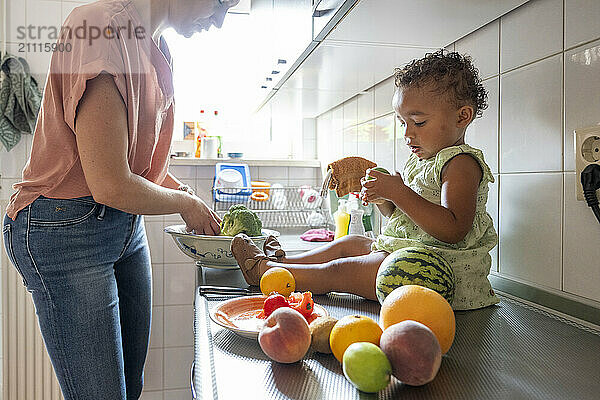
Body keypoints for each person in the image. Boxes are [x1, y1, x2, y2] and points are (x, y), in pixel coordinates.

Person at [2, 0, 239, 398]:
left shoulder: (159, 49)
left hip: (124, 226)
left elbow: (139, 167)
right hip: (64, 228)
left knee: (130, 387)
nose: (219, 20)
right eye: (220, 2)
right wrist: (187, 205)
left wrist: (186, 195)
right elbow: (110, 183)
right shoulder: (100, 29)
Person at [232, 50, 499, 311]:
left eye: (418, 122)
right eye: (402, 122)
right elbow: (408, 221)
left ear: (462, 116)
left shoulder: (461, 163)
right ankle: (285, 261)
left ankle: (269, 276)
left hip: (436, 274)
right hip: (408, 255)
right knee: (349, 244)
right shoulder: (423, 161)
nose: (408, 134)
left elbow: (453, 230)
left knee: (340, 271)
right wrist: (386, 201)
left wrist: (400, 193)